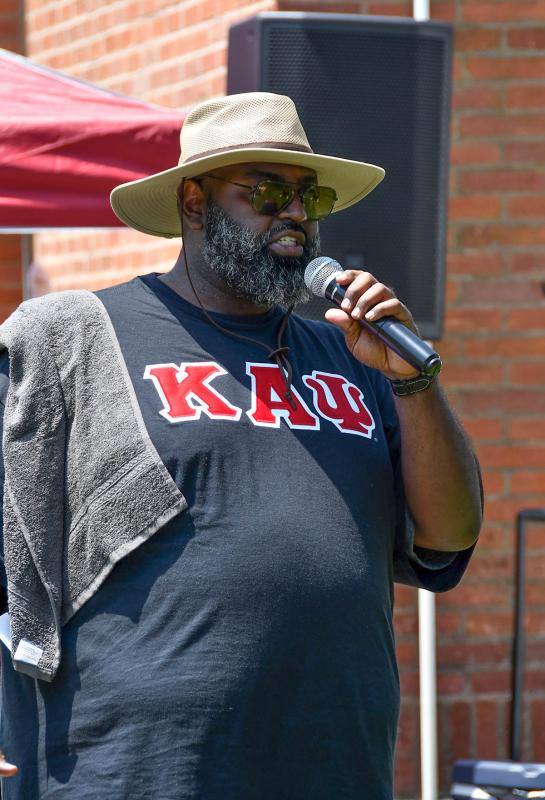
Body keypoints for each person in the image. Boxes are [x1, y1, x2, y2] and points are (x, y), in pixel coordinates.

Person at [0, 92, 482, 799]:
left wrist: (412, 382)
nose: (296, 214)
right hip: (138, 770)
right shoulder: (76, 338)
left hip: (334, 765)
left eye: (310, 197)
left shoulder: (356, 356)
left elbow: (448, 537)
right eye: (267, 192)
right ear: (194, 203)